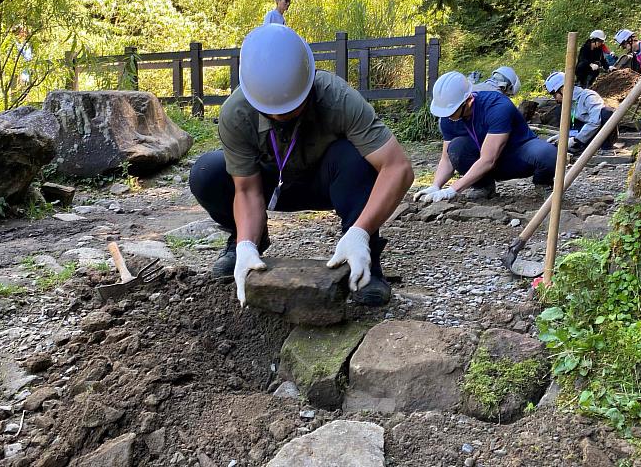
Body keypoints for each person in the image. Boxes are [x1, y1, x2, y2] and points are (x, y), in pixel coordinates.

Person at [189, 24, 414, 308]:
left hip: (329, 183)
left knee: (359, 157)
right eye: (270, 112)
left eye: (291, 109)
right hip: (272, 187)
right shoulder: (236, 112)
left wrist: (360, 232)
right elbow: (246, 190)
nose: (281, 116)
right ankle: (245, 245)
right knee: (207, 172)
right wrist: (246, 243)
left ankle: (365, 260)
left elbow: (397, 168)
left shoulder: (337, 97)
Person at [414, 72, 557, 203]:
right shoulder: (448, 117)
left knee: (548, 154)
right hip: (483, 163)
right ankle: (483, 186)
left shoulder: (497, 106)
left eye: (452, 111)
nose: (448, 116)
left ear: (468, 100)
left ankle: (542, 183)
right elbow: (446, 159)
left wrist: (453, 189)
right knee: (456, 148)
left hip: (517, 157)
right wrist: (436, 186)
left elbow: (489, 159)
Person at [543, 72, 618, 154]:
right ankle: (580, 147)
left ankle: (606, 148)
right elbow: (574, 127)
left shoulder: (589, 97)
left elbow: (595, 122)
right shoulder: (566, 104)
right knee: (558, 111)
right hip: (584, 135)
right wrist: (562, 137)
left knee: (606, 113)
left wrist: (577, 140)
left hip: (598, 132)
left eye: (555, 95)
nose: (555, 99)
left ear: (563, 89)